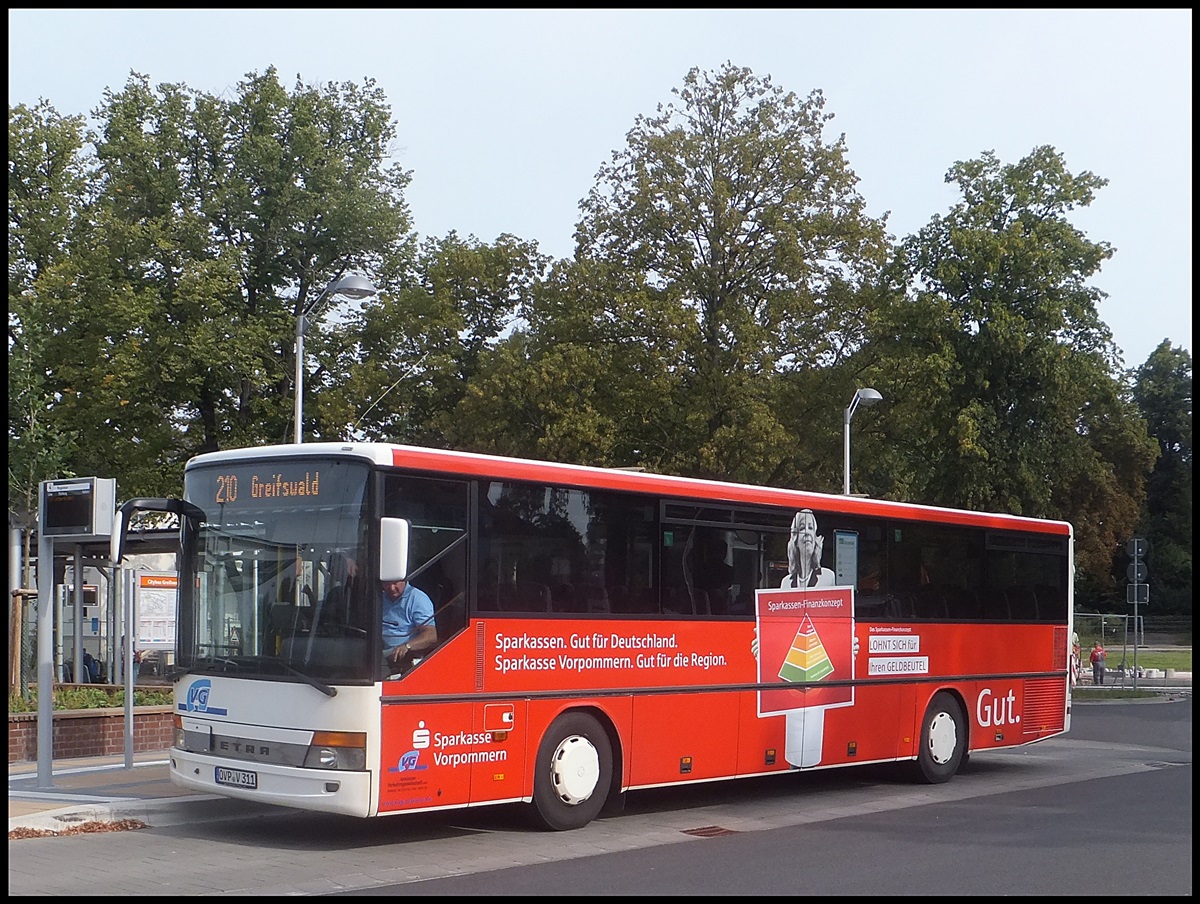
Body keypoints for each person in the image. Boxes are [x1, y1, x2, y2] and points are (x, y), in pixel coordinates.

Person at [381, 578, 438, 673]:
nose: (391, 588)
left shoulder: (418, 599)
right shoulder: (380, 597)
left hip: (400, 658)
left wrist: (407, 646)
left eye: (395, 583)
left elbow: (431, 635)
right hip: (377, 650)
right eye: (387, 583)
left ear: (404, 580)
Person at [780, 509, 835, 588]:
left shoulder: (828, 577)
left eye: (810, 527)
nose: (807, 532)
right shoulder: (786, 583)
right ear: (796, 540)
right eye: (802, 528)